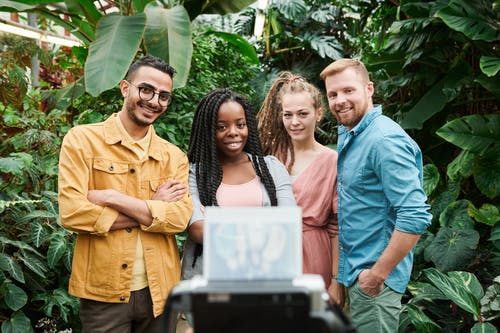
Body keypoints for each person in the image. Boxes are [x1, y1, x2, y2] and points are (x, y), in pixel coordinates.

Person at [58, 55, 193, 332]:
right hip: (103, 291)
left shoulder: (173, 156)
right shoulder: (82, 140)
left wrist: (110, 197)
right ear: (125, 88)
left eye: (164, 96)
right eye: (146, 90)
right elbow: (73, 213)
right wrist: (153, 208)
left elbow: (178, 220)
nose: (154, 101)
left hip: (160, 291)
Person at [320, 58, 432, 333]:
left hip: (374, 283)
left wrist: (376, 275)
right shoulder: (353, 135)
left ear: (369, 89)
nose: (339, 100)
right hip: (356, 275)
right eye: (333, 94)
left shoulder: (383, 140)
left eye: (348, 90)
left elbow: (415, 215)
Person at [181, 88, 297, 280]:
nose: (233, 132)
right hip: (209, 283)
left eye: (240, 124)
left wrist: (217, 221)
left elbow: (287, 225)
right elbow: (199, 230)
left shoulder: (272, 169)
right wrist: (264, 227)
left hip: (265, 279)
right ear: (208, 131)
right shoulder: (194, 173)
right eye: (221, 127)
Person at [257, 72, 344, 306]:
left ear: (319, 113)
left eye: (302, 114)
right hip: (271, 253)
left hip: (314, 253)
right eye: (288, 115)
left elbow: (336, 227)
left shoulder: (332, 161)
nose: (294, 122)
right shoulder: (269, 155)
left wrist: (336, 281)